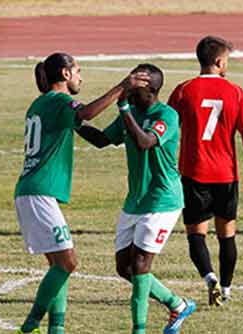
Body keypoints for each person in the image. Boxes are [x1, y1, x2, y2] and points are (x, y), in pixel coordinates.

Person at [14, 53, 149, 334]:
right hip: (39, 193)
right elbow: (86, 113)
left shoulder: (39, 104)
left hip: (31, 191)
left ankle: (56, 329)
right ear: (65, 74)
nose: (80, 77)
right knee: (68, 262)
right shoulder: (59, 101)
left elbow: (81, 124)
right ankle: (29, 327)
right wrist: (121, 87)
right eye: (78, 71)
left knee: (58, 265)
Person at [76, 63, 195, 334]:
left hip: (162, 200)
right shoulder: (133, 111)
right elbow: (103, 140)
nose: (128, 86)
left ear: (150, 90)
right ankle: (177, 304)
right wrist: (76, 125)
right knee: (124, 267)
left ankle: (138, 330)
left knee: (141, 264)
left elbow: (144, 141)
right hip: (136, 200)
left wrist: (123, 107)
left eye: (135, 84)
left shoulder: (167, 115)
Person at [167, 35, 243, 305]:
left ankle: (210, 277)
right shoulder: (235, 91)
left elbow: (168, 128)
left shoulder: (184, 90)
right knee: (227, 235)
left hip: (194, 173)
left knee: (196, 234)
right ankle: (228, 289)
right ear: (219, 62)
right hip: (226, 175)